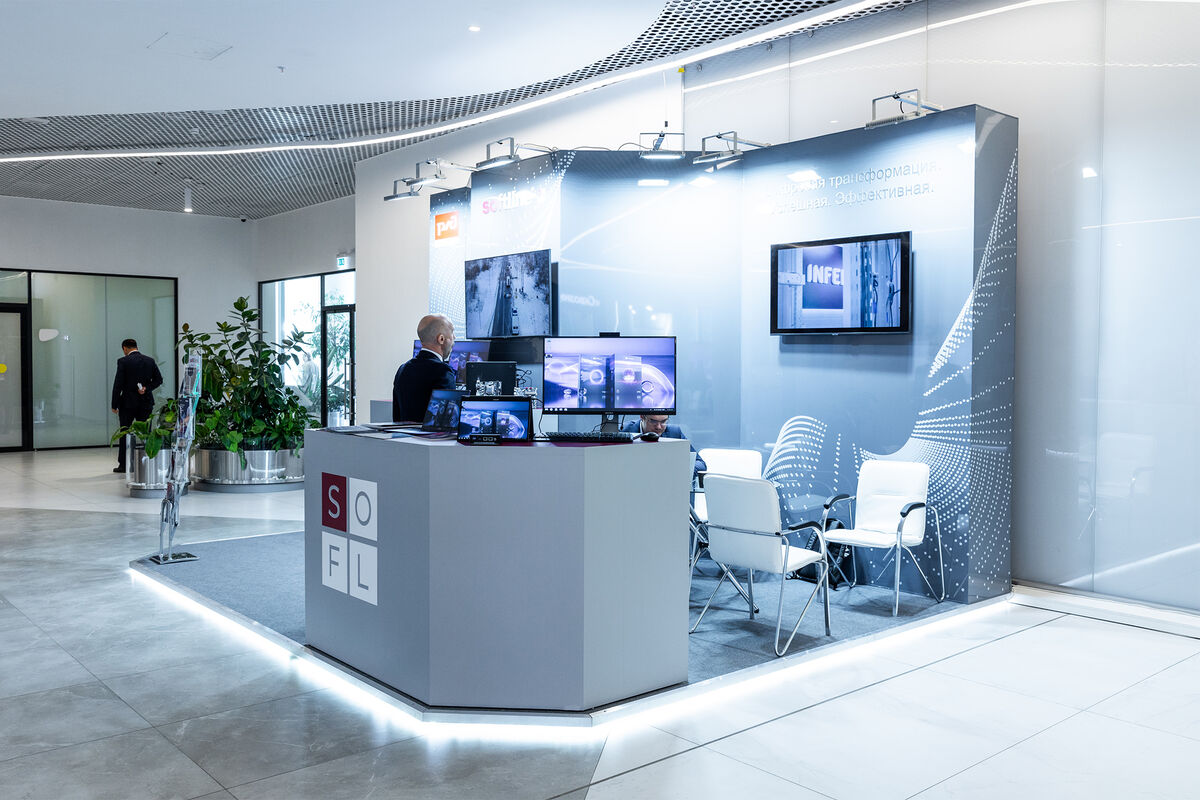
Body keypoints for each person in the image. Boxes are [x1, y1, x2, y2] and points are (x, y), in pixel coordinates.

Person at [110, 338, 164, 473]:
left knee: (125, 432)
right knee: (146, 433)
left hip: (127, 404)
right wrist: (146, 388)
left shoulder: (123, 361)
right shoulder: (149, 360)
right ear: (136, 347)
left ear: (125, 348)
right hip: (145, 402)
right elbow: (159, 380)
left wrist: (114, 404)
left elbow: (118, 384)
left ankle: (124, 465)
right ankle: (148, 462)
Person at [393, 314, 457, 422]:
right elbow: (446, 421)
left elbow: (397, 418)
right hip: (429, 433)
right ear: (441, 339)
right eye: (452, 333)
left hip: (403, 433)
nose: (454, 337)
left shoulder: (403, 369)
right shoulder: (443, 372)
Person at [621, 413, 707, 473]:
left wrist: (679, 471)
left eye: (663, 421)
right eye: (653, 421)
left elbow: (700, 463)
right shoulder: (624, 431)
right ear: (642, 417)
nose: (659, 427)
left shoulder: (674, 432)